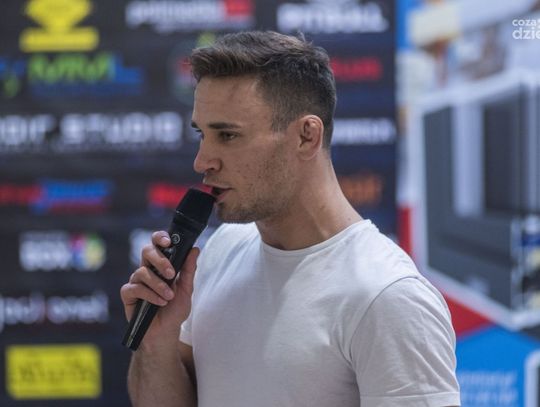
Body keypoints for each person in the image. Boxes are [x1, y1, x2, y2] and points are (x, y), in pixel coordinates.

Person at [120, 30, 461, 407]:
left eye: (228, 136)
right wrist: (156, 344)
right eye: (203, 134)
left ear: (306, 136)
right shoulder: (221, 252)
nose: (203, 162)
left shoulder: (387, 295)